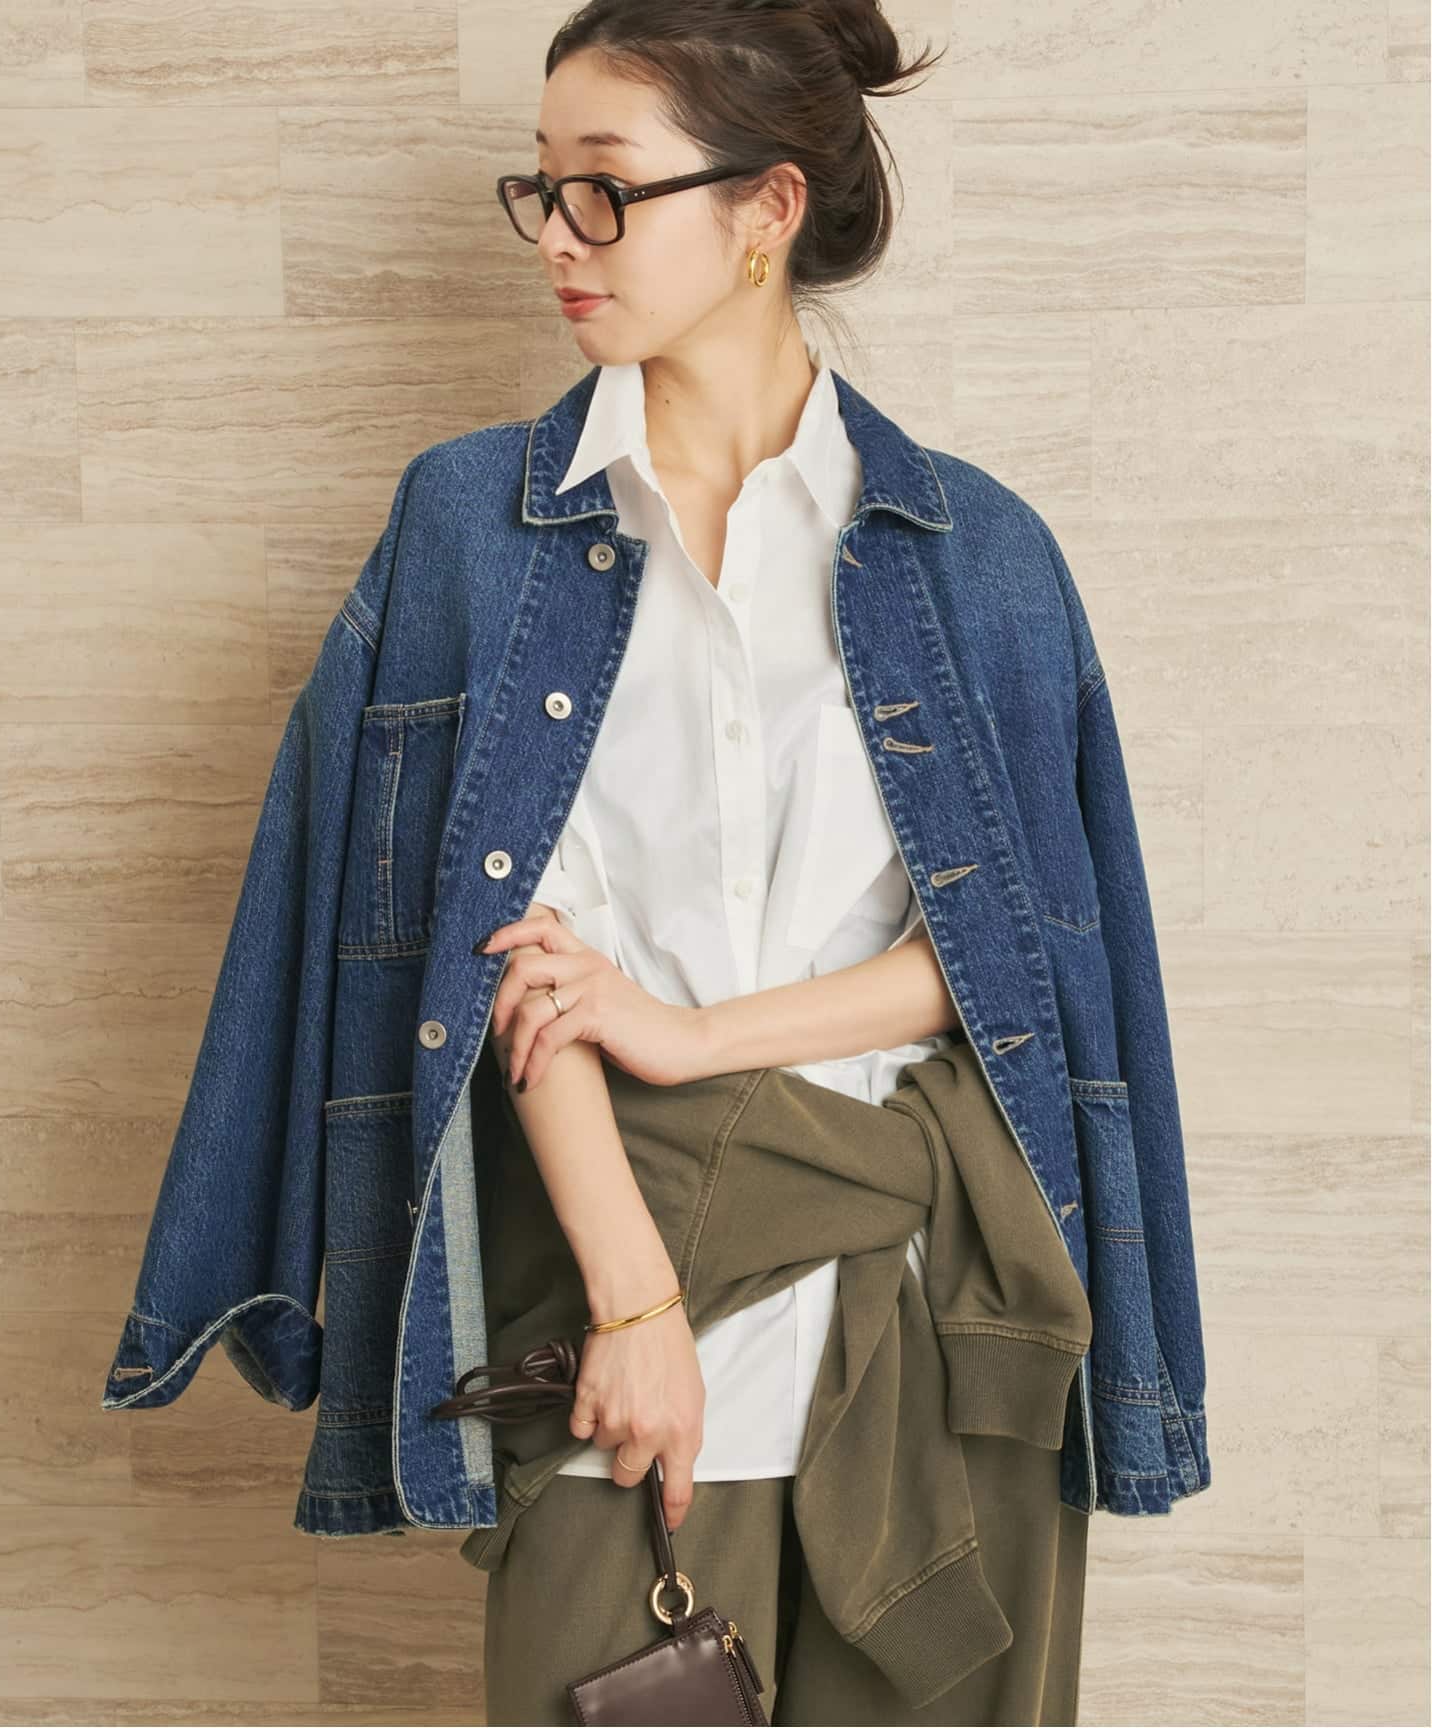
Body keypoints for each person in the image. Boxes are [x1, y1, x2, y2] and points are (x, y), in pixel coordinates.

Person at [462, 3, 1089, 1721]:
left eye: (605, 188)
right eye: (541, 188)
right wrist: (636, 1305)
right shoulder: (480, 531)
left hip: (936, 1334)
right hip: (622, 1334)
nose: (559, 236)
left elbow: (1010, 960)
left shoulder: (977, 552)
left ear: (768, 208)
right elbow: (500, 950)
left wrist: (690, 1036)